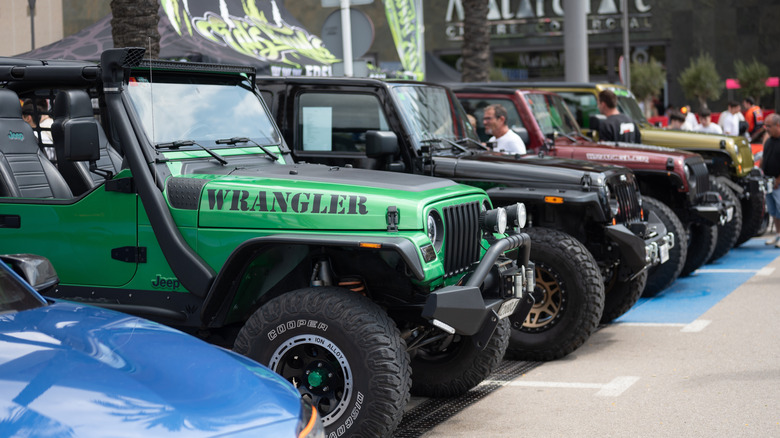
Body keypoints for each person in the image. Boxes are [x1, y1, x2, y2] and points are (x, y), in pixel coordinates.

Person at [762, 113, 780, 247]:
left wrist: (778, 180)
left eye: (769, 126)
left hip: (777, 183)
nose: (766, 128)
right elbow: (764, 157)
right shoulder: (769, 141)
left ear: (778, 125)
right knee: (773, 210)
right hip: (769, 182)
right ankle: (778, 234)